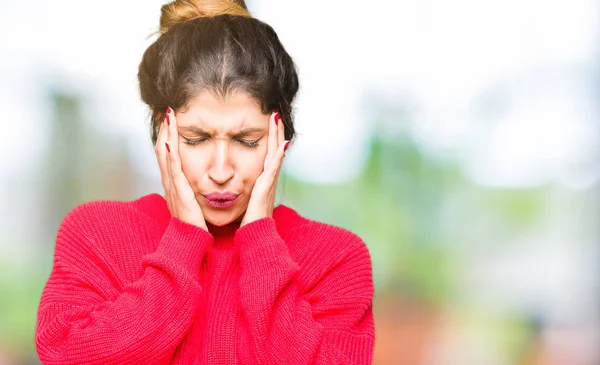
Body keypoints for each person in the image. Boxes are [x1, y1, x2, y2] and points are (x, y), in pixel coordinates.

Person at [34, 0, 375, 364]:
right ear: (162, 133)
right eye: (197, 139)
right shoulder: (96, 234)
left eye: (247, 141)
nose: (221, 169)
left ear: (280, 137)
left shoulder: (336, 259)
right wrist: (182, 241)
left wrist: (261, 240)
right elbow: (67, 355)